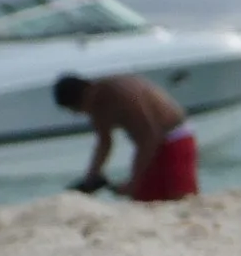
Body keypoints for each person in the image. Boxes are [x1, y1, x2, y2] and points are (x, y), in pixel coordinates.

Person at [53, 73, 197, 201]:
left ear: (84, 95)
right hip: (151, 143)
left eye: (77, 109)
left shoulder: (120, 92)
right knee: (145, 199)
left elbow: (150, 136)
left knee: (179, 196)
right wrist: (92, 176)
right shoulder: (96, 104)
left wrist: (134, 180)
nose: (81, 113)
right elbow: (104, 143)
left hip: (175, 136)